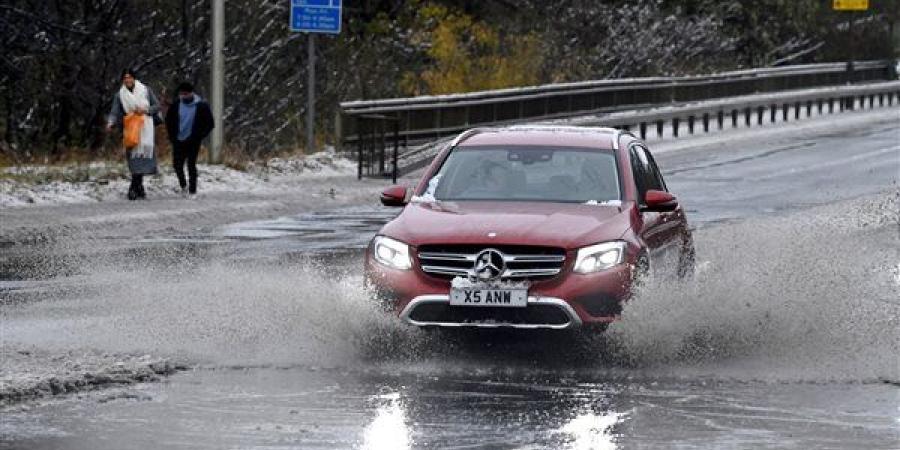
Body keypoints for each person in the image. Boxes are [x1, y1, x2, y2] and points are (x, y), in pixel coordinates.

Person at [106, 69, 161, 200]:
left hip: (145, 127)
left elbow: (157, 105)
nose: (127, 80)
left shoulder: (145, 90)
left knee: (142, 158)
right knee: (133, 159)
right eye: (125, 78)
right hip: (131, 128)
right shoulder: (120, 95)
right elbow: (115, 111)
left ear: (134, 79)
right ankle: (138, 187)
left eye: (129, 77)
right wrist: (110, 122)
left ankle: (134, 188)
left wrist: (146, 110)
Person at [165, 82, 214, 196]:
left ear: (191, 93)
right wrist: (172, 135)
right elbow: (169, 120)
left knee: (191, 164)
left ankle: (193, 189)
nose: (183, 96)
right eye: (181, 94)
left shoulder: (201, 106)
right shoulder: (176, 105)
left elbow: (210, 123)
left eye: (186, 94)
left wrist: (200, 135)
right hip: (178, 139)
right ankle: (183, 185)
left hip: (193, 140)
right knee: (177, 164)